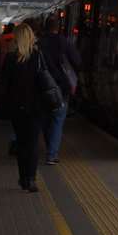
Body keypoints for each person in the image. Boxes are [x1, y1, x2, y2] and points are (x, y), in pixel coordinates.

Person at [0, 23, 62, 193]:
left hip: (17, 109)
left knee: (22, 143)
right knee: (32, 144)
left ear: (16, 38)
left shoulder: (10, 58)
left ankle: (23, 177)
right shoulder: (38, 56)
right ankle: (30, 179)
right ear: (31, 37)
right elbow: (46, 79)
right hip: (36, 108)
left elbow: (3, 85)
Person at [38, 16, 83, 167]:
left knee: (45, 120)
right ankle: (51, 154)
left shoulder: (39, 43)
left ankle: (49, 147)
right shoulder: (65, 42)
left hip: (42, 87)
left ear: (45, 27)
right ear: (59, 27)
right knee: (57, 120)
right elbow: (77, 61)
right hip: (61, 88)